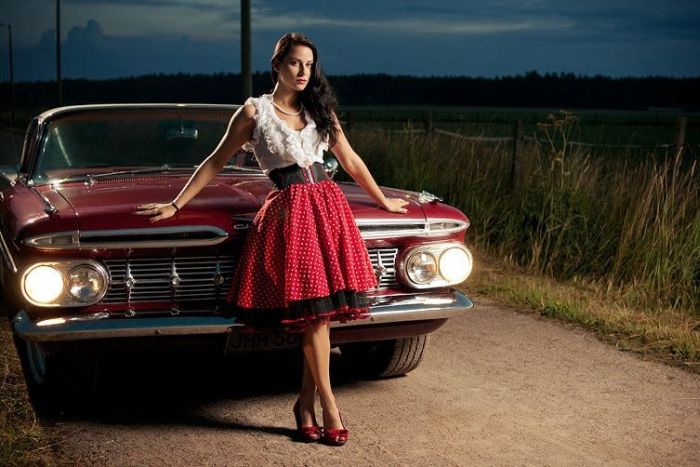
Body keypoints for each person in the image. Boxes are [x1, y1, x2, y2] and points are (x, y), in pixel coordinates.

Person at [133, 32, 409, 446]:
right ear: (277, 64)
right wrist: (176, 204)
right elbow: (215, 160)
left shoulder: (320, 109)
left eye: (310, 65)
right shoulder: (253, 112)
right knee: (315, 317)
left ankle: (304, 403)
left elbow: (350, 160)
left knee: (323, 316)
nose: (303, 72)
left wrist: (383, 201)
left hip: (329, 209)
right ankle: (329, 407)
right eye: (296, 63)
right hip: (290, 213)